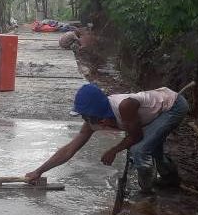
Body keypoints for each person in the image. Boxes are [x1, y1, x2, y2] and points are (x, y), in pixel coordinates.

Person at [25, 83, 189, 194]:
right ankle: (170, 179)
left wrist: (113, 150)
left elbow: (136, 136)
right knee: (151, 145)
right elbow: (69, 149)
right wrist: (39, 171)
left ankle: (146, 193)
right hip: (152, 114)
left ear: (96, 111)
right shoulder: (93, 121)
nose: (84, 119)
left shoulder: (125, 107)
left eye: (85, 114)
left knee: (139, 149)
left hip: (172, 107)